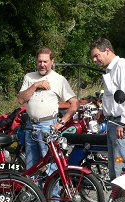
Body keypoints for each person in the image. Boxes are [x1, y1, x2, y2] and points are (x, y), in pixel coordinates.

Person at [17, 47, 79, 181]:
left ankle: (53, 200)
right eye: (39, 61)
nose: (42, 64)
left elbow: (74, 103)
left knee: (51, 166)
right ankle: (33, 197)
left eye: (45, 61)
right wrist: (35, 85)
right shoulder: (29, 77)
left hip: (48, 126)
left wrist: (61, 122)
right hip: (30, 125)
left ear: (52, 61)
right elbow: (21, 99)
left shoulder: (59, 79)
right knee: (31, 165)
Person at [90, 38, 125, 179]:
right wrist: (104, 111)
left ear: (107, 50)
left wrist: (123, 123)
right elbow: (113, 96)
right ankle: (119, 199)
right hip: (114, 122)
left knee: (122, 169)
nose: (94, 60)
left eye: (96, 55)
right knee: (114, 169)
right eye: (93, 57)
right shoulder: (110, 70)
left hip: (123, 123)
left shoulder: (122, 65)